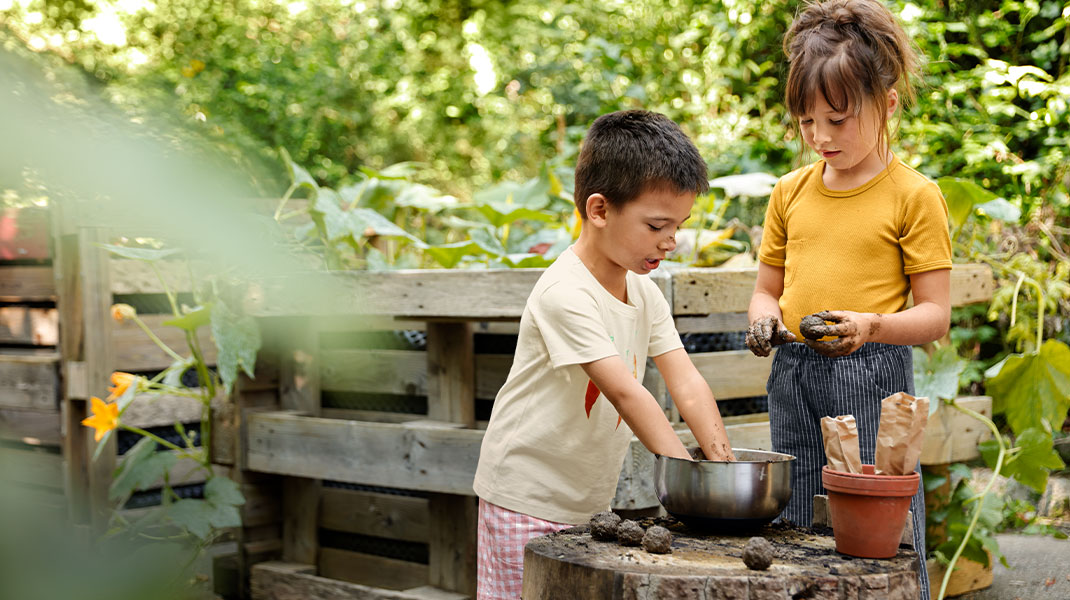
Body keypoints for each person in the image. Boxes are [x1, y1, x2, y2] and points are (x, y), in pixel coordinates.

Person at [472, 110, 736, 599]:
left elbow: (688, 384)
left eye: (679, 225)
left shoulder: (645, 294)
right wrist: (692, 492)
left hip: (586, 505)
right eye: (657, 224)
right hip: (524, 499)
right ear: (599, 210)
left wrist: (722, 471)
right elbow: (624, 392)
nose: (671, 241)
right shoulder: (564, 292)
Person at [744, 1, 951, 598]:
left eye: (838, 119)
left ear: (886, 103)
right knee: (792, 510)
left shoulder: (914, 195)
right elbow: (766, 291)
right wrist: (763, 323)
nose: (821, 137)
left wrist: (871, 325)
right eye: (808, 122)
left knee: (875, 510)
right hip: (793, 369)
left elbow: (935, 314)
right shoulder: (790, 192)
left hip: (870, 371)